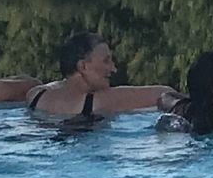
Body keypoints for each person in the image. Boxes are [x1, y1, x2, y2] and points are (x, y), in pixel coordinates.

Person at [24, 32, 178, 121]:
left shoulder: (36, 95)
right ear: (83, 66)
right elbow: (164, 93)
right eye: (107, 61)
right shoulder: (99, 101)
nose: (113, 68)